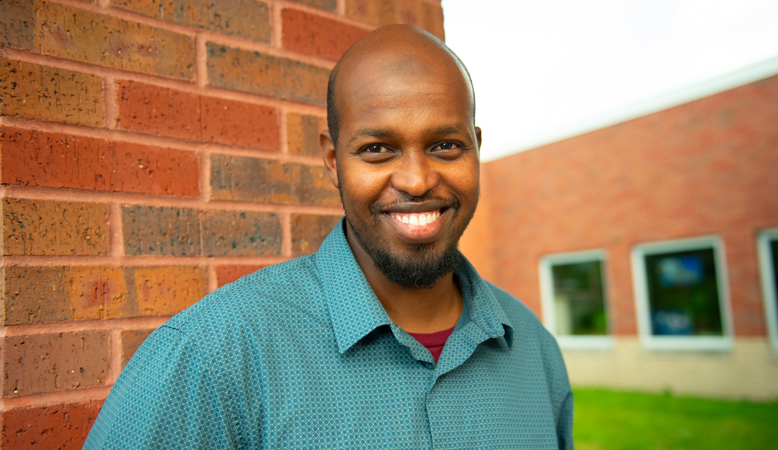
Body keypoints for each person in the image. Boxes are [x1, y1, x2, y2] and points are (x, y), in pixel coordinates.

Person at [84, 25, 573, 449]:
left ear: (476, 149)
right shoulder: (213, 358)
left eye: (445, 145)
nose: (418, 180)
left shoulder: (535, 353)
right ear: (333, 161)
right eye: (377, 149)